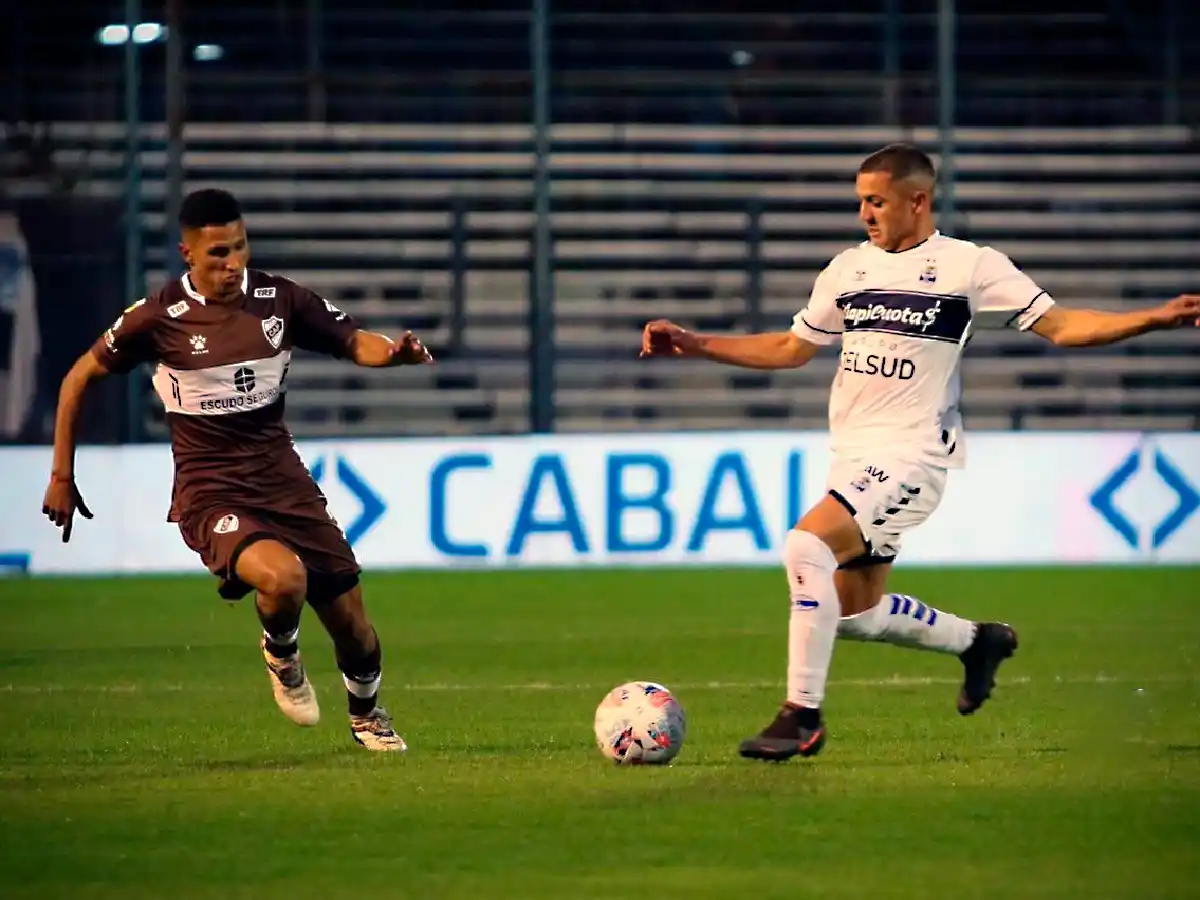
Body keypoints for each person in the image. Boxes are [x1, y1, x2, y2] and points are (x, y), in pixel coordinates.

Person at [640, 143, 1200, 761]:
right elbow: (790, 348)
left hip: (912, 458)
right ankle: (976, 642)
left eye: (875, 201)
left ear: (918, 201)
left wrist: (1154, 318)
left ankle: (801, 715)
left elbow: (1063, 326)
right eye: (859, 201)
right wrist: (696, 344)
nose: (864, 214)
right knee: (853, 613)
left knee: (806, 546)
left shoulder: (970, 268)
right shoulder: (848, 270)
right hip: (852, 458)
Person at [40, 188, 434, 752]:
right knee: (283, 578)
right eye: (218, 253)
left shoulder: (280, 300)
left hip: (282, 479)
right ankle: (281, 649)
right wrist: (61, 474)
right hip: (210, 487)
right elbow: (78, 377)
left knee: (355, 630)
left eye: (240, 248)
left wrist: (392, 354)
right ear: (187, 254)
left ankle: (367, 715)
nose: (233, 264)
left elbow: (352, 340)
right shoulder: (157, 318)